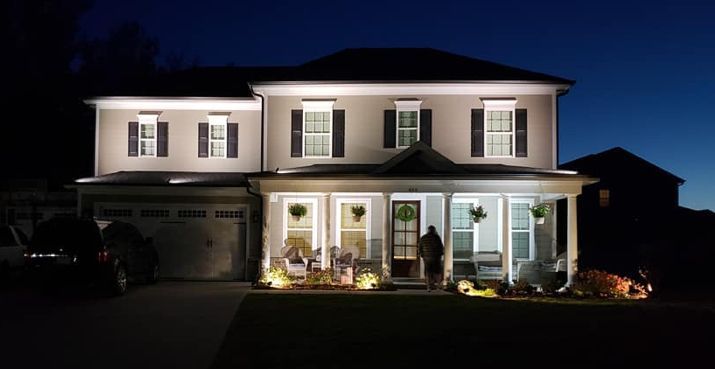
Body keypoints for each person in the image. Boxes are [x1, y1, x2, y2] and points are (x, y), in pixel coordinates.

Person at [418, 225, 444, 291]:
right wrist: (440, 254)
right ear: (434, 230)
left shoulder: (423, 238)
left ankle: (428, 287)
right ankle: (438, 286)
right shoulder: (437, 237)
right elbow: (440, 247)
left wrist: (422, 255)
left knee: (428, 272)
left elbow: (420, 248)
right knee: (437, 272)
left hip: (427, 258)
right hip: (436, 257)